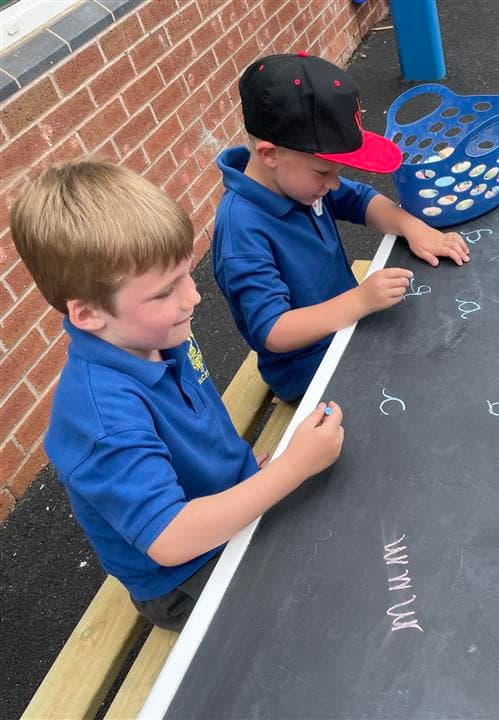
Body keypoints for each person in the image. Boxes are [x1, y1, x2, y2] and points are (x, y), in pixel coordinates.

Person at [11, 161, 345, 631]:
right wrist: (291, 468)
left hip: (228, 500)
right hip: (184, 577)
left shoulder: (155, 334)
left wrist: (249, 480)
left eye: (187, 274)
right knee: (326, 597)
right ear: (88, 314)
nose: (194, 298)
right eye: (166, 290)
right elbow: (169, 539)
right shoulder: (101, 417)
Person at [213, 52, 471, 402]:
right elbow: (273, 330)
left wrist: (412, 226)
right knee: (431, 384)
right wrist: (361, 300)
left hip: (349, 327)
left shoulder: (298, 179)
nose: (334, 185)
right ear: (270, 154)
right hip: (309, 368)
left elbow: (360, 200)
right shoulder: (240, 232)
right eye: (324, 173)